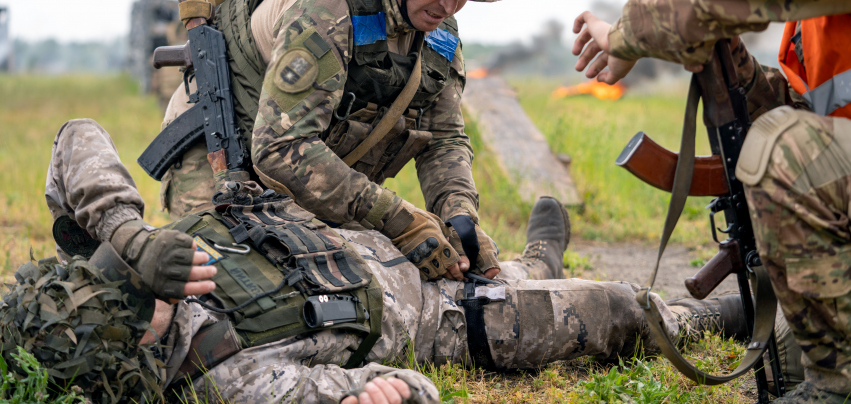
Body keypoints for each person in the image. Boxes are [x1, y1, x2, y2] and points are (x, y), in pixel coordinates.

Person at [12, 118, 754, 404]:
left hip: (373, 238)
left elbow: (75, 136)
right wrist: (385, 391)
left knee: (500, 257)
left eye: (135, 280)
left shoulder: (113, 261)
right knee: (616, 312)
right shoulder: (228, 378)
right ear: (138, 348)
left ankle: (538, 255)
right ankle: (722, 310)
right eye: (150, 305)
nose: (160, 291)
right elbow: (398, 386)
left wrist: (134, 237)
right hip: (440, 317)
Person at [571, 0, 851, 401]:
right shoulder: (815, 18)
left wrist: (622, 35)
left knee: (783, 149)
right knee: (787, 361)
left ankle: (842, 389)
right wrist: (734, 68)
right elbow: (813, 108)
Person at [157, 0, 514, 284]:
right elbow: (282, 148)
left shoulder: (438, 32)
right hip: (219, 150)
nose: (450, 6)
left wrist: (460, 218)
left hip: (309, 169)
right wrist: (398, 218)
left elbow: (444, 138)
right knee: (220, 295)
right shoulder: (329, 6)